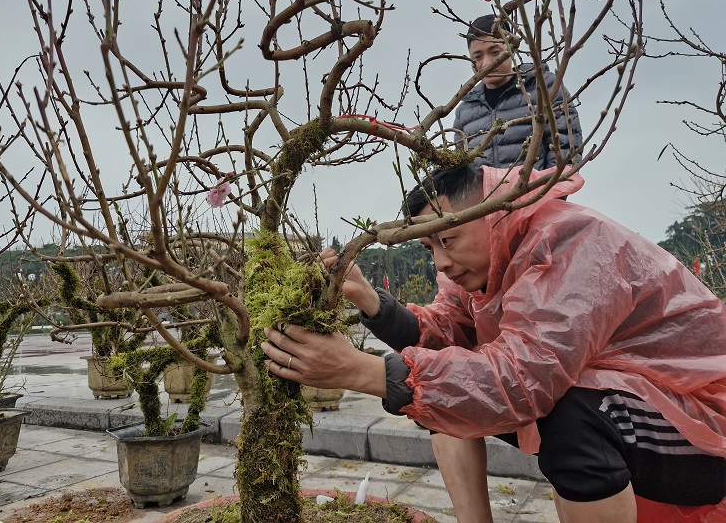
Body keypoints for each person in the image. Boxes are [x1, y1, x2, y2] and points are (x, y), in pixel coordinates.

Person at [261, 165, 726, 523]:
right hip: (643, 403)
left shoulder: (569, 242)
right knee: (440, 389)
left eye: (449, 239)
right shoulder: (488, 263)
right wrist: (369, 299)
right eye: (429, 249)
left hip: (703, 418)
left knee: (572, 416)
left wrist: (361, 372)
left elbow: (526, 377)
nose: (441, 263)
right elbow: (443, 335)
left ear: (492, 213)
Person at [454, 14, 583, 169]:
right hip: (488, 194)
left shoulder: (543, 87)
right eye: (478, 56)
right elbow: (460, 170)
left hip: (538, 191)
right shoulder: (465, 111)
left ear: (512, 50)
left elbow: (567, 148)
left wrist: (547, 192)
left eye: (495, 52)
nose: (487, 63)